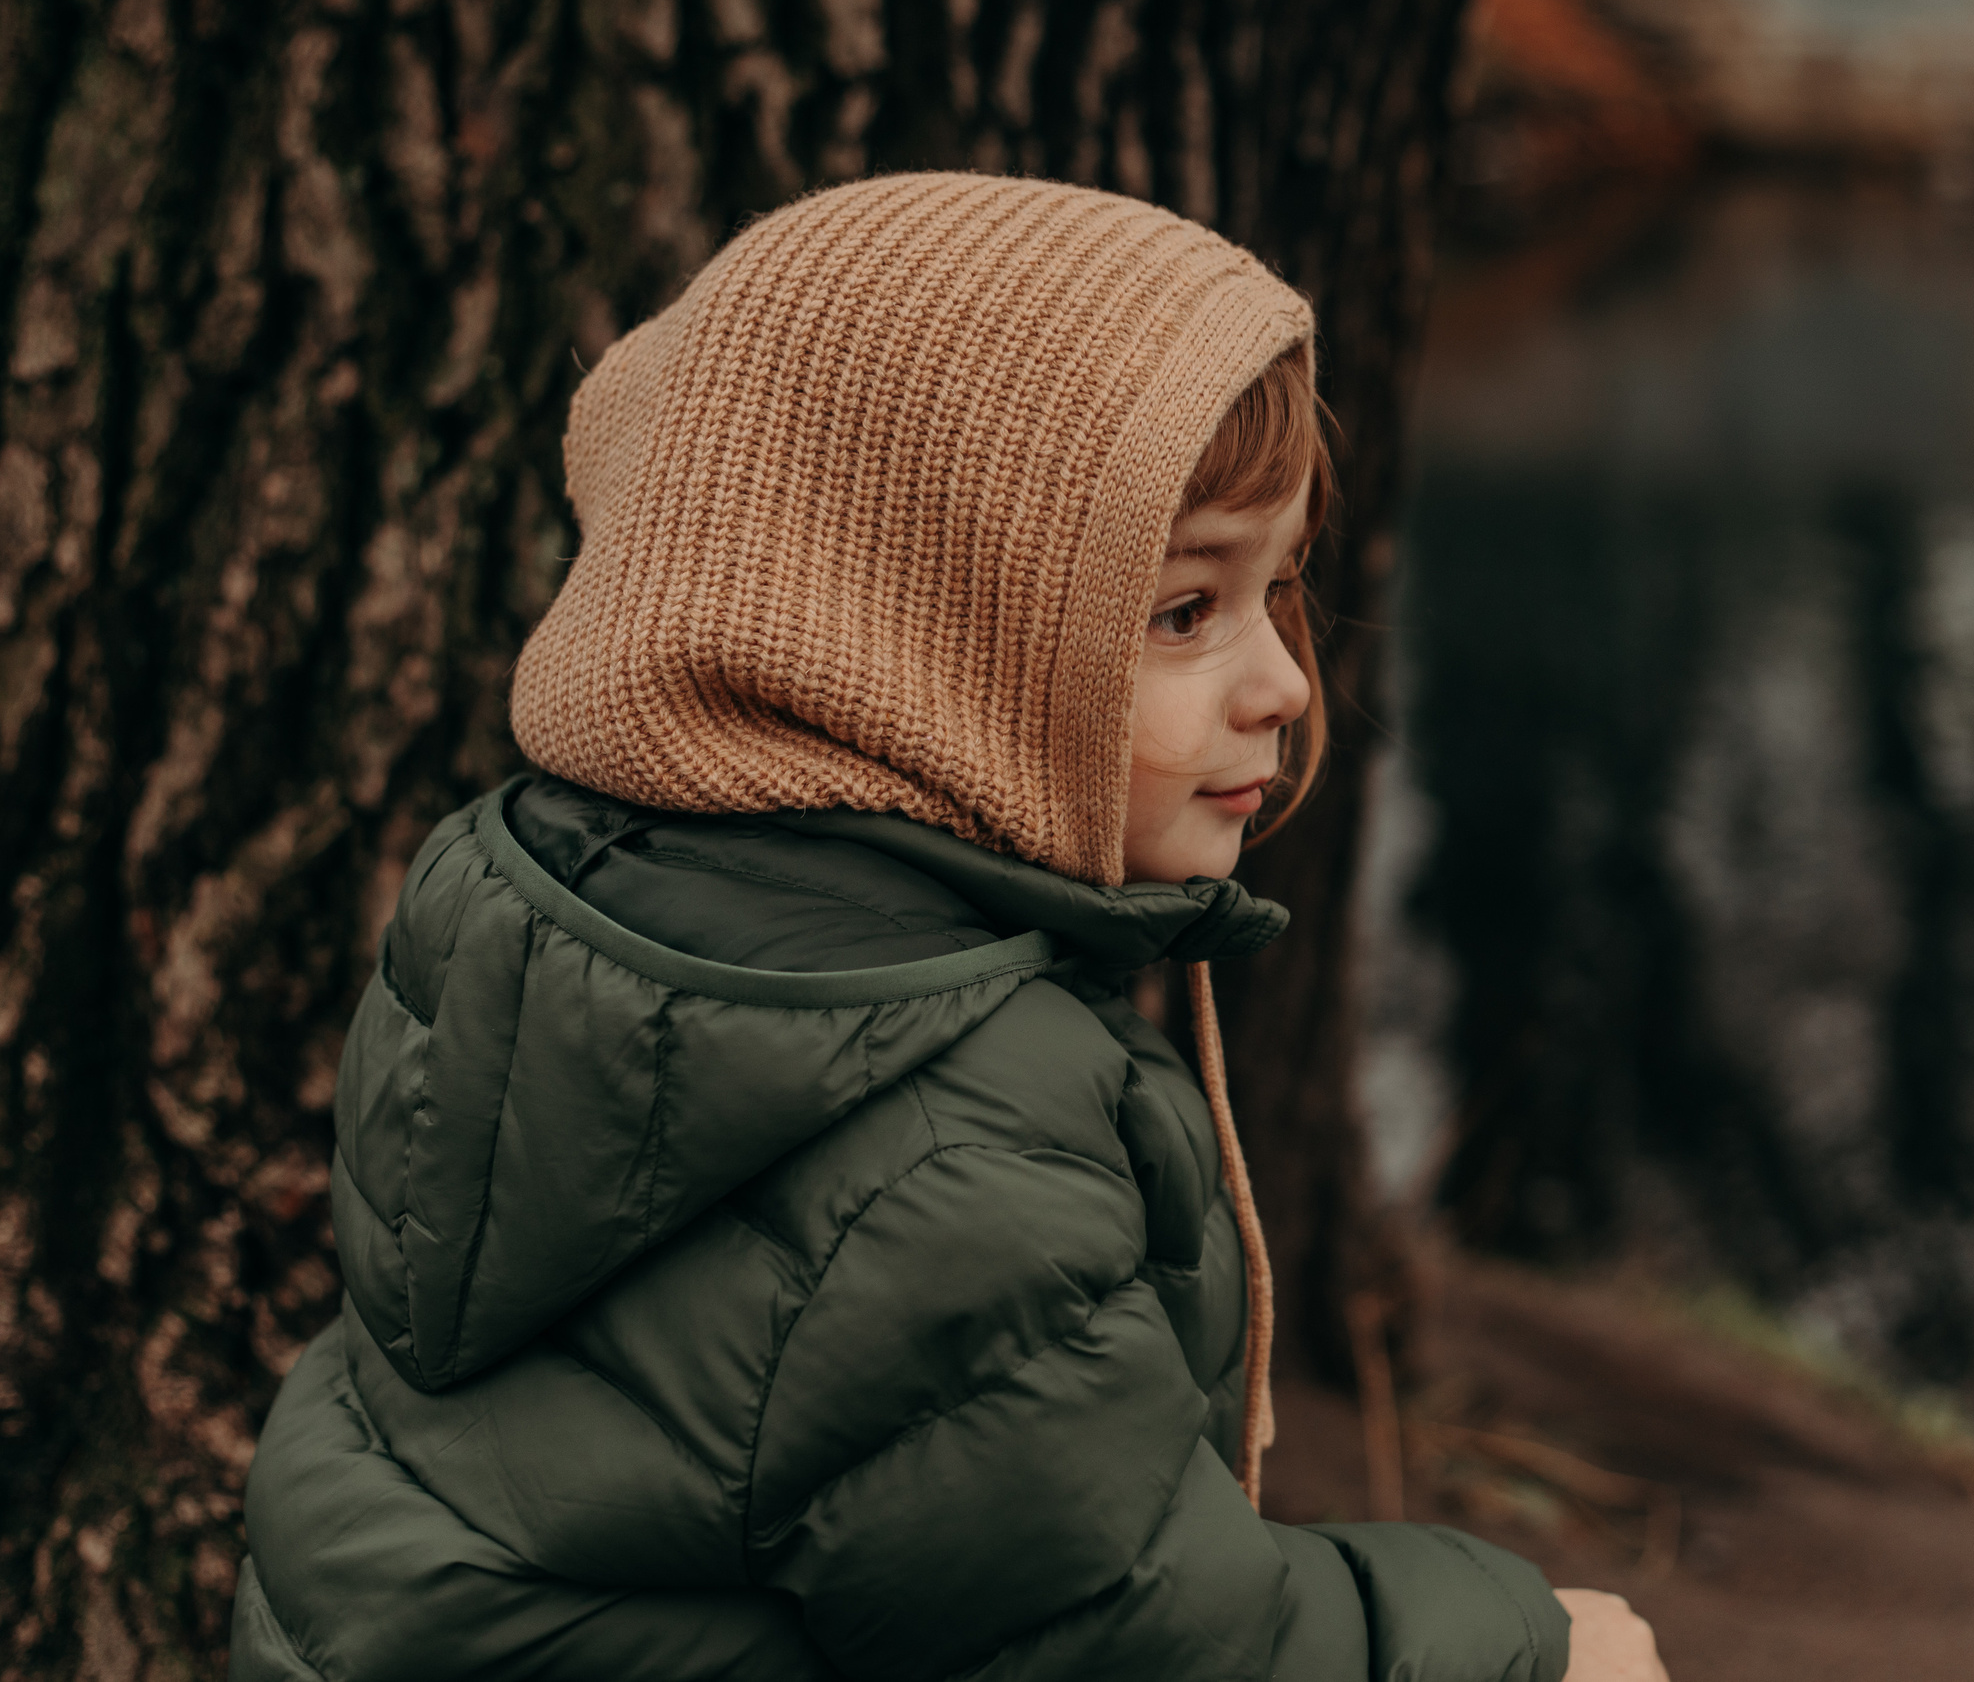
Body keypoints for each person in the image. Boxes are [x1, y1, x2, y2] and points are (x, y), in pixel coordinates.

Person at [231, 173, 1668, 1682]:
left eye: (1278, 586)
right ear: (914, 637)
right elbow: (1130, 1646)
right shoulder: (947, 1155)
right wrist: (1528, 1646)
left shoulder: (558, 892)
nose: (1288, 687)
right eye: (1186, 611)